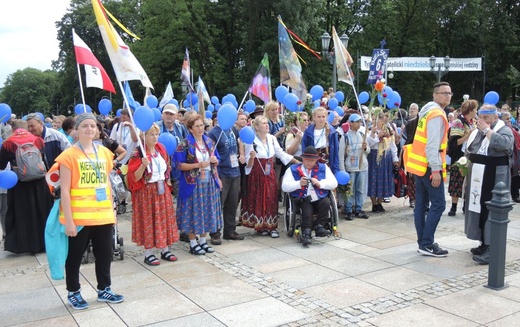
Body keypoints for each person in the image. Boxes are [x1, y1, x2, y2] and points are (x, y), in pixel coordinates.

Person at [56, 113, 124, 310]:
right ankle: (73, 291)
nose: (89, 129)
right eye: (85, 126)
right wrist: (69, 221)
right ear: (76, 130)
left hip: (102, 214)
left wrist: (112, 211)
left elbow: (106, 183)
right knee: (75, 256)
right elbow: (65, 191)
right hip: (79, 217)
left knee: (105, 254)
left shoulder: (103, 152)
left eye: (93, 126)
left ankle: (104, 289)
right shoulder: (68, 155)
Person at [404, 82, 451, 257]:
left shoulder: (426, 112)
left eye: (449, 93)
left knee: (421, 206)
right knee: (438, 204)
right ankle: (427, 243)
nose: (448, 95)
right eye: (444, 93)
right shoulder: (437, 114)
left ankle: (423, 242)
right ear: (435, 95)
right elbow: (432, 145)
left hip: (419, 166)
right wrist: (436, 170)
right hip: (429, 167)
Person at [465, 104, 514, 264]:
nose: (483, 121)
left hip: (495, 176)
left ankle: (492, 247)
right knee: (479, 207)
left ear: (495, 117)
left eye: (486, 118)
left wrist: (487, 130)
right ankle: (483, 242)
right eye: (481, 118)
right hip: (481, 175)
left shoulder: (504, 129)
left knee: (492, 210)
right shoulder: (480, 130)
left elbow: (505, 144)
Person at [127, 124, 180, 265]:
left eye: (157, 134)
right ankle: (148, 252)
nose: (155, 137)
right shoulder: (138, 153)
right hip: (146, 192)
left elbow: (166, 168)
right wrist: (143, 165)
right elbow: (134, 178)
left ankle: (165, 249)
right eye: (152, 134)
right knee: (148, 221)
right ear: (143, 136)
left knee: (164, 219)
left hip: (161, 190)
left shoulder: (160, 149)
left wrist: (167, 184)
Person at [0, 120, 54, 253]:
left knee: (23, 215)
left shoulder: (9, 143)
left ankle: (27, 245)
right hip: (40, 181)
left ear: (13, 129)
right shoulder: (37, 140)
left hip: (19, 183)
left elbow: (1, 163)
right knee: (42, 212)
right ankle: (44, 243)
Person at [241, 116, 298, 238]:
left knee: (271, 197)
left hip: (269, 172)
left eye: (267, 123)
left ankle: (271, 226)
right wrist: (251, 157)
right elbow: (248, 163)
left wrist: (295, 161)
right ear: (256, 127)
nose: (267, 125)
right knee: (259, 197)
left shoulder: (272, 138)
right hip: (257, 173)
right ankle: (260, 226)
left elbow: (280, 154)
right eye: (263, 123)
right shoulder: (251, 140)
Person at [175, 115, 222, 255]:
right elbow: (179, 165)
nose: (201, 128)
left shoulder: (209, 141)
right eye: (197, 126)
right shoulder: (184, 144)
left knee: (207, 210)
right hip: (192, 184)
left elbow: (217, 160)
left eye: (202, 125)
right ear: (190, 128)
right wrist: (198, 165)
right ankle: (193, 242)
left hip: (208, 182)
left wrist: (214, 161)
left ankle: (203, 240)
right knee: (192, 211)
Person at [281, 146, 338, 245]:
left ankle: (319, 226)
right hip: (303, 198)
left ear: (316, 160)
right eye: (306, 160)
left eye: (311, 160)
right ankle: (306, 232)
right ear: (302, 158)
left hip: (319, 196)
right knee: (307, 208)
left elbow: (334, 183)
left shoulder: (324, 168)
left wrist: (320, 183)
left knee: (326, 202)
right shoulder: (292, 169)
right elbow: (284, 187)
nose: (308, 162)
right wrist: (298, 184)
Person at [208, 117, 244, 243]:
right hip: (222, 172)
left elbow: (240, 143)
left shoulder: (233, 129)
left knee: (233, 203)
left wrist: (242, 154)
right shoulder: (213, 133)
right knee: (219, 203)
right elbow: (210, 152)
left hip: (235, 171)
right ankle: (215, 232)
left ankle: (230, 230)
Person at [447, 99, 478, 216]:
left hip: (471, 155)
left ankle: (466, 205)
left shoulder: (473, 123)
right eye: (475, 109)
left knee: (468, 182)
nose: (476, 111)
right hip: (459, 157)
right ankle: (453, 207)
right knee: (456, 180)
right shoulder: (458, 122)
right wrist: (469, 134)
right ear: (469, 110)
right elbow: (454, 143)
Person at [339, 114, 370, 220]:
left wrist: (365, 148)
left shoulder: (362, 134)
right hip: (351, 167)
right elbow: (341, 154)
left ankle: (359, 208)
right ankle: (348, 209)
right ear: (351, 123)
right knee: (350, 190)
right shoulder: (345, 137)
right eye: (357, 122)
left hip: (362, 166)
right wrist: (342, 169)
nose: (359, 123)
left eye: (360, 121)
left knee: (360, 189)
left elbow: (368, 151)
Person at [366, 111, 399, 212]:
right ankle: (374, 203)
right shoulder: (371, 130)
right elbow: (368, 144)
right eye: (380, 120)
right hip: (374, 156)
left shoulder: (388, 130)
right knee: (373, 180)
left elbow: (392, 145)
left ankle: (379, 202)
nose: (382, 122)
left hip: (386, 157)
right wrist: (377, 136)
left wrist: (395, 159)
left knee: (384, 180)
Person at [302, 107, 340, 174]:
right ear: (314, 118)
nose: (321, 119)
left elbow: (335, 152)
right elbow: (304, 149)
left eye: (323, 116)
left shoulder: (332, 132)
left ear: (326, 117)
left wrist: (335, 168)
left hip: (327, 158)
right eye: (319, 117)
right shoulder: (308, 132)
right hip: (313, 158)